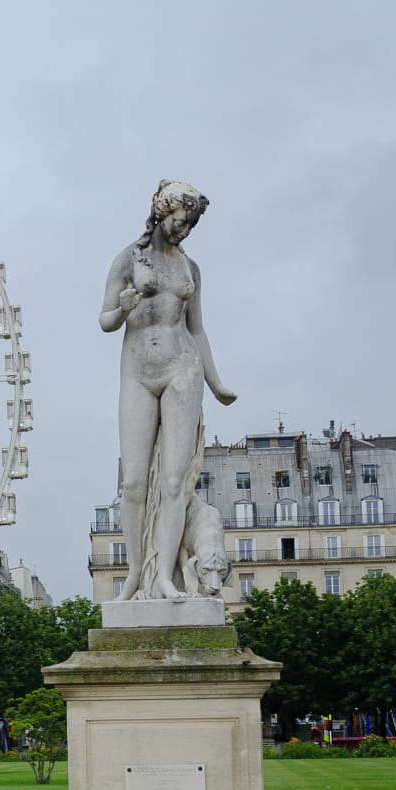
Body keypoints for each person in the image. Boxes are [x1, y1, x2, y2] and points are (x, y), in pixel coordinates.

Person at [100, 180, 236, 600]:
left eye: (191, 225)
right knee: (134, 483)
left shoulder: (190, 269)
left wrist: (215, 382)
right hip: (138, 372)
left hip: (182, 369)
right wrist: (123, 307)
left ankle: (162, 576)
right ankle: (135, 573)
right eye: (180, 221)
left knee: (175, 483)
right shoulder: (127, 259)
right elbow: (105, 321)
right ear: (162, 212)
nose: (184, 230)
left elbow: (197, 329)